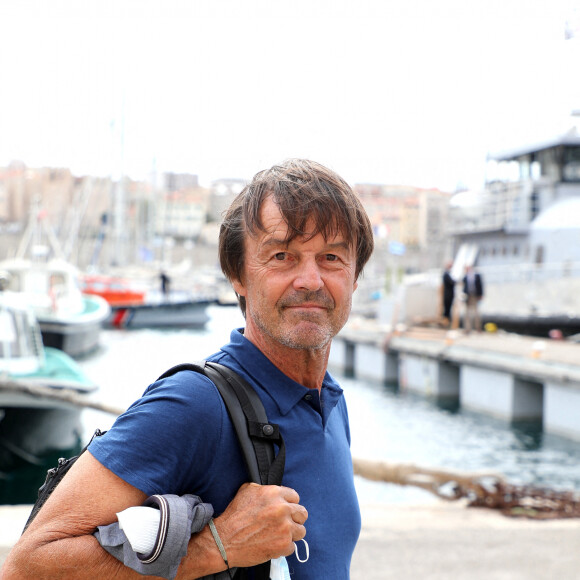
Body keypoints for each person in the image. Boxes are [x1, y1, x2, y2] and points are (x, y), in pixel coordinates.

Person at [2, 158, 374, 580]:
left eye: (330, 257)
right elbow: (26, 568)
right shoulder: (195, 405)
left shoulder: (329, 399)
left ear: (355, 275)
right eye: (282, 255)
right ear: (238, 275)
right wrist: (219, 546)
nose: (310, 279)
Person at [463, 264, 484, 333]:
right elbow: (464, 287)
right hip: (468, 296)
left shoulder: (476, 276)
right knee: (467, 313)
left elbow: (480, 285)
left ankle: (478, 328)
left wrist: (480, 295)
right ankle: (467, 329)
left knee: (476, 312)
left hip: (475, 295)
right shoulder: (465, 277)